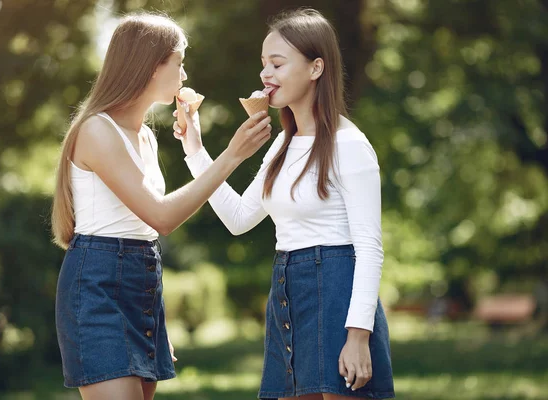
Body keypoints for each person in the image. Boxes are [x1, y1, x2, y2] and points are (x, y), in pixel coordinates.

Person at [173, 8, 394, 400]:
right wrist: (195, 149)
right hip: (288, 293)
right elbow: (239, 218)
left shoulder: (350, 145)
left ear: (315, 68)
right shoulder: (283, 144)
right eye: (263, 64)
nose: (265, 74)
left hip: (336, 293)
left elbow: (370, 249)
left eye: (277, 63)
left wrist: (358, 336)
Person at [51, 12, 272, 400]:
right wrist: (232, 156)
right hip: (97, 288)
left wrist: (197, 149)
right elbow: (162, 216)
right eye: (179, 63)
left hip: (142, 282)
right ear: (152, 67)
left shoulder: (148, 141)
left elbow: (147, 233)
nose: (185, 76)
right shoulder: (97, 131)